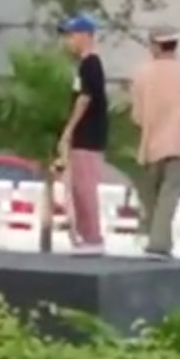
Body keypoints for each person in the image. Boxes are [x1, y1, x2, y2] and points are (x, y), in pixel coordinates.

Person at [130, 25, 180, 260]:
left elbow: (137, 115)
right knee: (169, 195)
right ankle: (160, 243)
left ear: (155, 45)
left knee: (152, 195)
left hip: (151, 145)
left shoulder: (142, 74)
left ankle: (156, 242)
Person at [57, 13, 107, 256]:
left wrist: (69, 129)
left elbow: (85, 98)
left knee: (85, 188)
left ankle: (93, 237)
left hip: (88, 136)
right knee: (78, 187)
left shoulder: (91, 64)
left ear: (85, 35)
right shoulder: (83, 65)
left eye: (72, 35)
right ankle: (86, 236)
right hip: (83, 136)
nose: (69, 41)